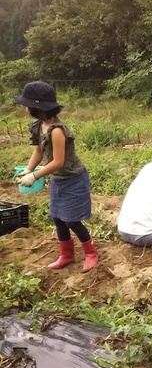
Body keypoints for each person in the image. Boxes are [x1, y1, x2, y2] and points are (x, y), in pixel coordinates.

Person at [14, 81, 98, 272]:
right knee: (57, 218)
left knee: (71, 220)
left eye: (28, 105)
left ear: (37, 106)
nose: (26, 109)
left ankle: (91, 253)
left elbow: (58, 162)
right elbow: (38, 152)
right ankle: (66, 255)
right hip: (58, 179)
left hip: (73, 179)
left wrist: (35, 176)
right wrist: (28, 169)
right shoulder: (39, 126)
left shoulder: (57, 131)